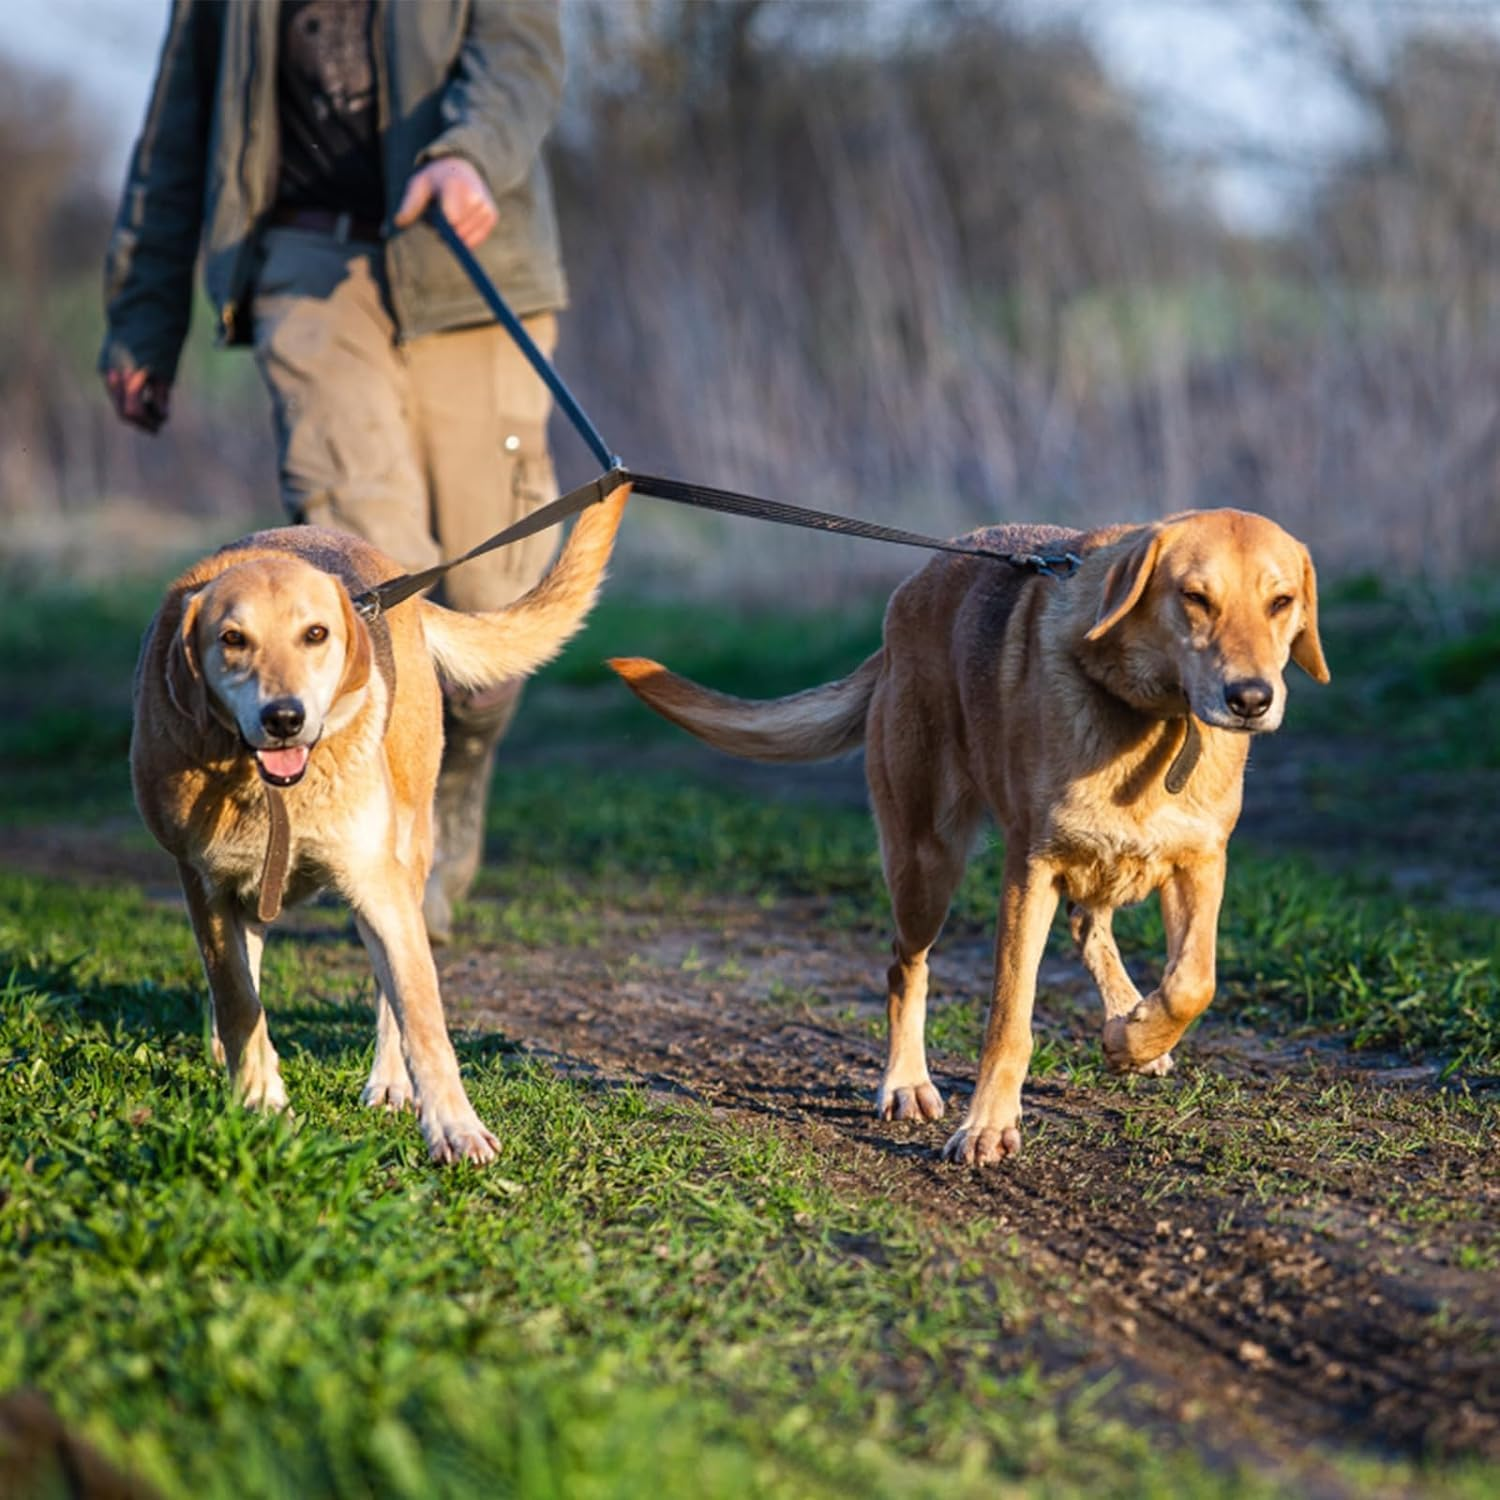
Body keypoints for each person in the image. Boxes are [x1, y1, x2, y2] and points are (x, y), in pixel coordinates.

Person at [100, 0, 568, 942]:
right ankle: (387, 829)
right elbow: (176, 128)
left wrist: (471, 152)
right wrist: (144, 314)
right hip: (304, 258)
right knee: (372, 577)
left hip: (468, 250)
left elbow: (522, 51)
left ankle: (452, 771)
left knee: (486, 597)